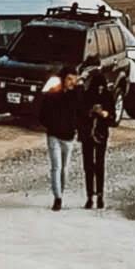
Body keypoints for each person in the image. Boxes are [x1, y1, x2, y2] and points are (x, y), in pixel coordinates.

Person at [38, 67, 81, 210]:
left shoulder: (76, 95)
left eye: (74, 79)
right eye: (69, 79)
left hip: (68, 137)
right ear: (63, 79)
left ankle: (60, 192)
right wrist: (51, 125)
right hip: (54, 135)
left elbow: (81, 113)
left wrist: (75, 128)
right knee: (56, 167)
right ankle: (58, 197)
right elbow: (42, 114)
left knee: (65, 169)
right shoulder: (53, 94)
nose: (72, 82)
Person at [77, 77, 115, 209]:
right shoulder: (86, 96)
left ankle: (100, 195)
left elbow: (113, 118)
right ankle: (89, 196)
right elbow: (80, 114)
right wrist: (90, 112)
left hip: (101, 134)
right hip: (88, 134)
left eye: (102, 88)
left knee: (99, 165)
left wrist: (105, 114)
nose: (100, 90)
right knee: (88, 166)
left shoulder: (108, 97)